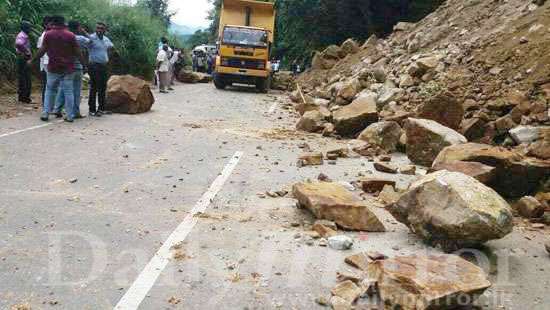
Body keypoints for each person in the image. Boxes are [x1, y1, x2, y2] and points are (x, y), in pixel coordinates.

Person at [29, 15, 85, 122]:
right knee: (69, 91)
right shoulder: (70, 35)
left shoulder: (49, 34)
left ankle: (46, 113)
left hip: (53, 67)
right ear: (63, 22)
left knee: (50, 90)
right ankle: (69, 115)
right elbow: (78, 52)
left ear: (54, 22)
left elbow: (43, 50)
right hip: (68, 68)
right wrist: (84, 65)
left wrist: (32, 60)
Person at [53, 21, 90, 119]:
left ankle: (57, 109)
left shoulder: (63, 37)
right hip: (77, 67)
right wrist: (84, 32)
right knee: (75, 91)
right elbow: (91, 41)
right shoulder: (81, 38)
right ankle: (74, 112)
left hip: (65, 66)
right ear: (78, 28)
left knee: (62, 88)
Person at [87, 22, 114, 117]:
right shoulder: (91, 38)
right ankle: (92, 109)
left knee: (102, 87)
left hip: (103, 66)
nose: (99, 30)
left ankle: (101, 108)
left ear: (105, 30)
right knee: (94, 87)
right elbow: (85, 44)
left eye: (101, 28)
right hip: (94, 66)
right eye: (98, 28)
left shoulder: (106, 39)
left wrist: (106, 58)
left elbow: (111, 47)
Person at [15, 21, 33, 104]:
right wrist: (27, 52)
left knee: (24, 77)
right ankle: (24, 97)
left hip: (23, 57)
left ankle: (23, 97)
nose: (30, 29)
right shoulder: (22, 35)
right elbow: (18, 44)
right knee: (25, 78)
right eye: (29, 27)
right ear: (25, 28)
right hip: (23, 58)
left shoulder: (23, 35)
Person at [37, 16, 52, 105]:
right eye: (51, 23)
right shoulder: (43, 36)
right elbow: (40, 51)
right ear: (46, 25)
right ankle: (46, 104)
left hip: (48, 62)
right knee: (48, 84)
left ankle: (47, 104)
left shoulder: (49, 34)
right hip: (46, 62)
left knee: (48, 84)